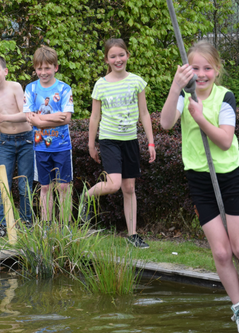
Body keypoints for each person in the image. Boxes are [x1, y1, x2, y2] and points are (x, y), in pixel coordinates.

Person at [160, 40, 239, 333]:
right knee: (221, 253)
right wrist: (175, 88)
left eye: (208, 67)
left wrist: (200, 118)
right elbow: (166, 123)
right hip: (200, 180)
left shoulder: (225, 97)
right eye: (195, 68)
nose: (202, 74)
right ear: (187, 70)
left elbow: (223, 139)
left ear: (217, 70)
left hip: (229, 177)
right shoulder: (184, 95)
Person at [81, 38, 156, 249]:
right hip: (109, 139)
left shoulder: (137, 81)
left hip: (130, 140)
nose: (118, 59)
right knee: (114, 184)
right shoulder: (101, 84)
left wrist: (151, 142)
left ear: (128, 55)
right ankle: (86, 196)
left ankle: (133, 235)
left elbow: (144, 113)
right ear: (106, 59)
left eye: (121, 55)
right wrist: (91, 144)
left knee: (129, 188)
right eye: (113, 56)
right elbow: (94, 117)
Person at [0, 55, 34, 238]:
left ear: (5, 71)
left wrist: (3, 117)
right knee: (3, 184)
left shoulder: (15, 87)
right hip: (5, 141)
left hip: (25, 139)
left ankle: (27, 222)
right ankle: (1, 224)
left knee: (24, 183)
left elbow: (26, 115)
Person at [24, 45, 74, 223]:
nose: (43, 72)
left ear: (55, 67)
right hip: (40, 147)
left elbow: (66, 118)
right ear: (35, 69)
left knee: (63, 187)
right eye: (39, 68)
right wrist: (52, 117)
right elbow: (30, 118)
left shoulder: (64, 89)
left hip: (61, 146)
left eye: (47, 68)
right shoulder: (30, 89)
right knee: (44, 187)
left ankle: (65, 227)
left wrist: (40, 120)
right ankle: (46, 226)